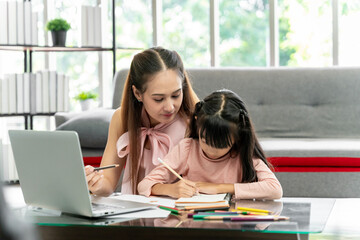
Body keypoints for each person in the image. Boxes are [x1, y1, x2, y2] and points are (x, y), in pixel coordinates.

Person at [85, 47, 199, 196]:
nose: (170, 107)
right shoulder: (122, 118)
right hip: (135, 213)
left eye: (176, 95)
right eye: (158, 99)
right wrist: (96, 184)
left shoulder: (194, 121)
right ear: (138, 93)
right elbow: (108, 184)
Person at [138, 89, 283, 199]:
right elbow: (143, 185)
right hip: (192, 223)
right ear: (197, 123)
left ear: (238, 137)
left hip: (231, 225)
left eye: (221, 145)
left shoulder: (242, 153)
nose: (211, 150)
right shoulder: (187, 148)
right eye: (205, 141)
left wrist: (219, 188)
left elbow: (275, 189)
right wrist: (171, 189)